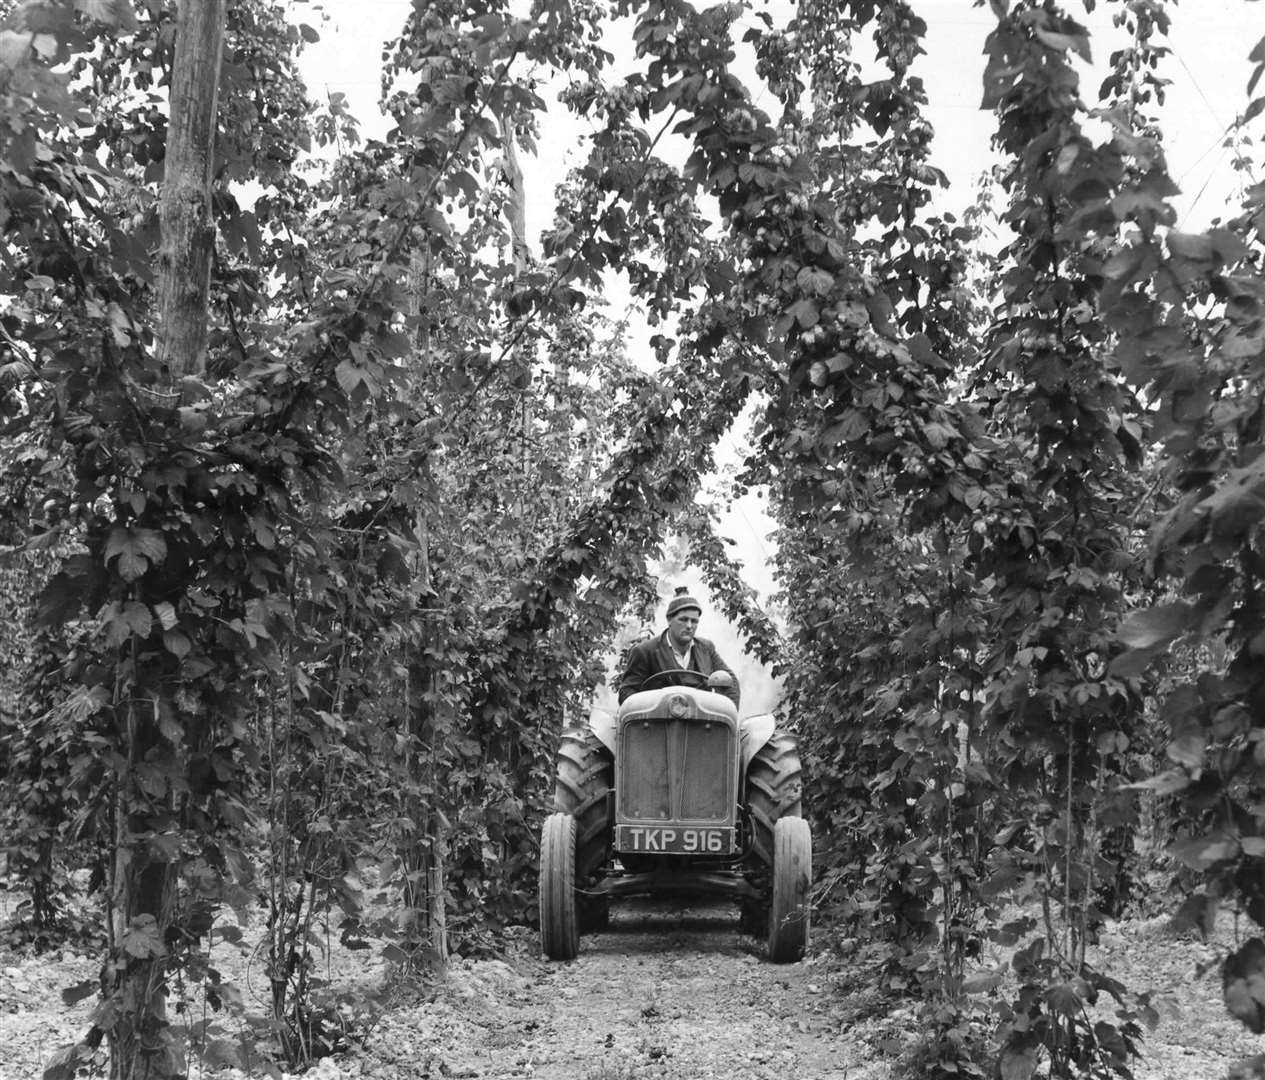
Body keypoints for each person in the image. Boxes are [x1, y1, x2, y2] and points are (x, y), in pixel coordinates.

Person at [618, 587, 741, 707]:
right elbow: (627, 693)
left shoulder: (706, 649)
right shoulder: (645, 651)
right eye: (683, 619)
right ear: (669, 620)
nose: (689, 626)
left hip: (700, 724)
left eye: (694, 621)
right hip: (657, 724)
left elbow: (731, 682)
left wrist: (727, 716)